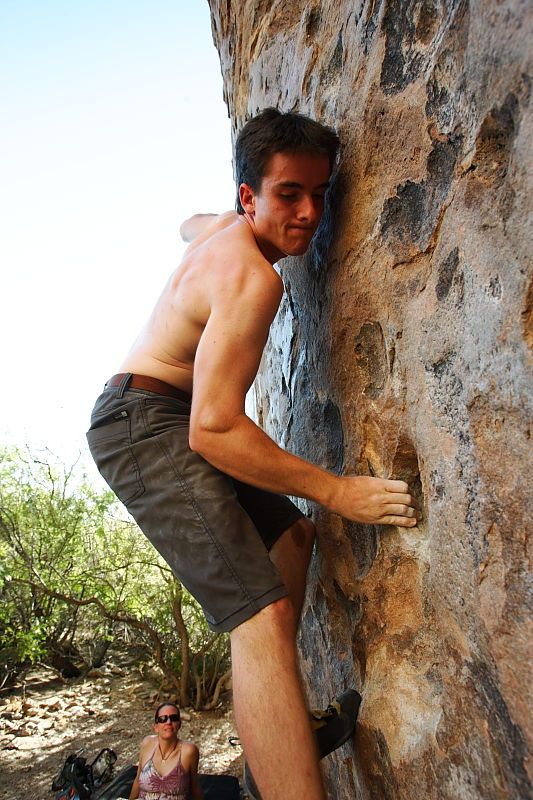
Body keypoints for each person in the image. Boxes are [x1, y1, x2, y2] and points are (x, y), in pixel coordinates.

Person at [87, 108, 421, 800]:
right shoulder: (250, 277)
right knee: (259, 614)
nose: (309, 213)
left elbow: (188, 223)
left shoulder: (221, 231)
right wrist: (338, 490)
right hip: (141, 425)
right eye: (288, 194)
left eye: (319, 193)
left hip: (160, 413)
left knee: (291, 539)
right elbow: (211, 429)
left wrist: (208, 224)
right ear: (250, 196)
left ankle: (276, 725)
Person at [128, 702, 203, 800]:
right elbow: (138, 780)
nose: (168, 722)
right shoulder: (147, 743)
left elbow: (194, 786)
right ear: (156, 727)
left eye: (173, 718)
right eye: (163, 719)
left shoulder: (189, 751)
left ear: (179, 724)